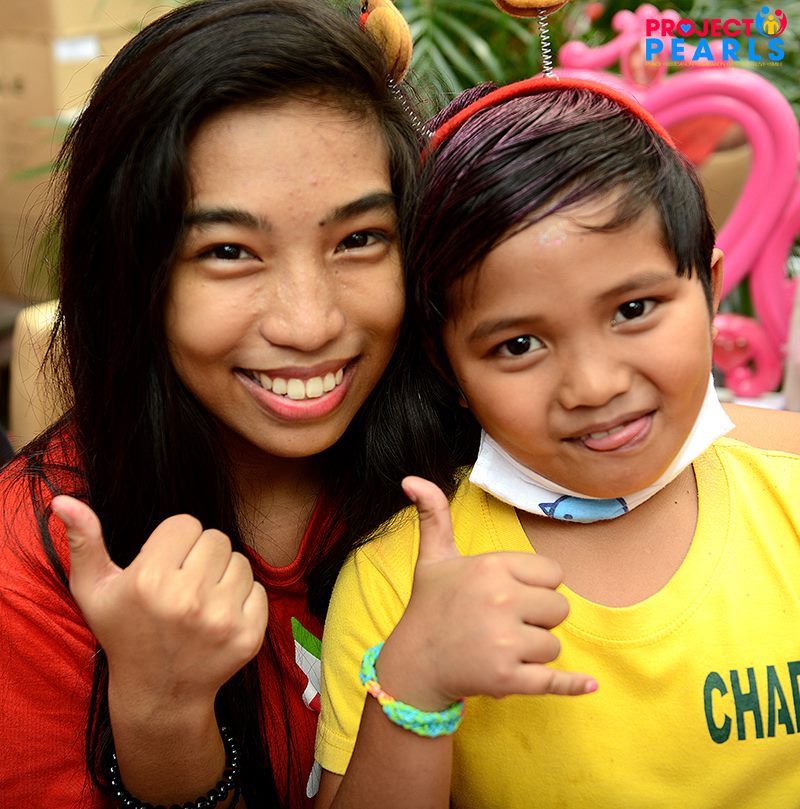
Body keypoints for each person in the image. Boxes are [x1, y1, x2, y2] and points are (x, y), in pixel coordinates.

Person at [0, 1, 472, 806]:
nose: (309, 323)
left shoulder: (492, 460)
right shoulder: (32, 569)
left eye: (360, 238)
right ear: (131, 275)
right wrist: (161, 718)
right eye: (228, 251)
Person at [315, 78, 800, 808]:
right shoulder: (403, 582)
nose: (593, 385)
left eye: (633, 309)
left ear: (709, 289)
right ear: (449, 369)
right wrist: (415, 683)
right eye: (518, 345)